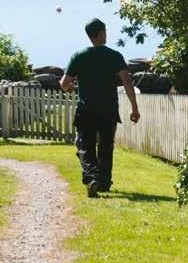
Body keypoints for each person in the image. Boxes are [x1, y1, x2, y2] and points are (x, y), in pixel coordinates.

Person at [60, 18, 140, 198]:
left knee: (84, 146)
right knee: (106, 146)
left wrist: (71, 86)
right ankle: (103, 182)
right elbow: (127, 82)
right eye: (105, 31)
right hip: (108, 110)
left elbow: (65, 84)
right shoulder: (115, 56)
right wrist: (134, 108)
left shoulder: (78, 56)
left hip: (86, 111)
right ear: (101, 33)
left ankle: (91, 178)